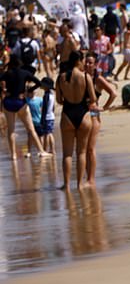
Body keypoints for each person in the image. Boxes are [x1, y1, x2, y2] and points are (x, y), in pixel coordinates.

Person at [55, 50, 97, 191]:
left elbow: (59, 100)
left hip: (67, 114)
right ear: (79, 61)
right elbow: (93, 99)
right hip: (83, 114)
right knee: (81, 152)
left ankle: (66, 185)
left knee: (67, 153)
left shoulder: (61, 78)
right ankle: (79, 185)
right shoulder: (85, 77)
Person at [0, 55, 50, 160]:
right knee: (31, 129)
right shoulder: (24, 73)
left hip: (8, 101)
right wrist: (30, 90)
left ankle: (13, 155)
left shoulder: (7, 73)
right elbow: (39, 83)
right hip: (20, 102)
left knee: (11, 130)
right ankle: (41, 151)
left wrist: (3, 91)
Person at [84, 52, 116, 186]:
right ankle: (87, 178)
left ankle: (91, 179)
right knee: (84, 149)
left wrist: (104, 107)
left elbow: (113, 93)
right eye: (86, 62)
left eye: (90, 62)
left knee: (90, 149)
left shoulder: (98, 79)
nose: (87, 64)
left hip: (93, 115)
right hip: (82, 114)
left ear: (96, 64)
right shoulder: (81, 77)